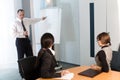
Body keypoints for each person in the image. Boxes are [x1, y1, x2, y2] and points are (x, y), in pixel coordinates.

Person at [12, 9, 46, 78]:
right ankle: (21, 72)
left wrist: (41, 19)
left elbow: (34, 20)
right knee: (20, 57)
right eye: (20, 15)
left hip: (27, 40)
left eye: (23, 14)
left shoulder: (26, 20)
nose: (22, 16)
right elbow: (13, 34)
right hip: (19, 41)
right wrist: (22, 33)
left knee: (30, 55)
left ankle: (31, 70)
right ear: (17, 14)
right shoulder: (14, 22)